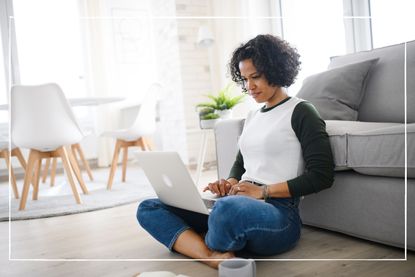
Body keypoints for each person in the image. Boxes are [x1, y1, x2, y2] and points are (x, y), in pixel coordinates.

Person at [137, 34, 334, 269]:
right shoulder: (252, 116)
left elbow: (322, 175)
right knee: (149, 207)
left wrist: (263, 192)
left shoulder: (302, 111)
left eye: (256, 77)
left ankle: (196, 240)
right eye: (244, 79)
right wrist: (229, 182)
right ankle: (212, 255)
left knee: (227, 209)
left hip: (279, 213)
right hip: (238, 201)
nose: (249, 86)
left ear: (276, 70)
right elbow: (242, 163)